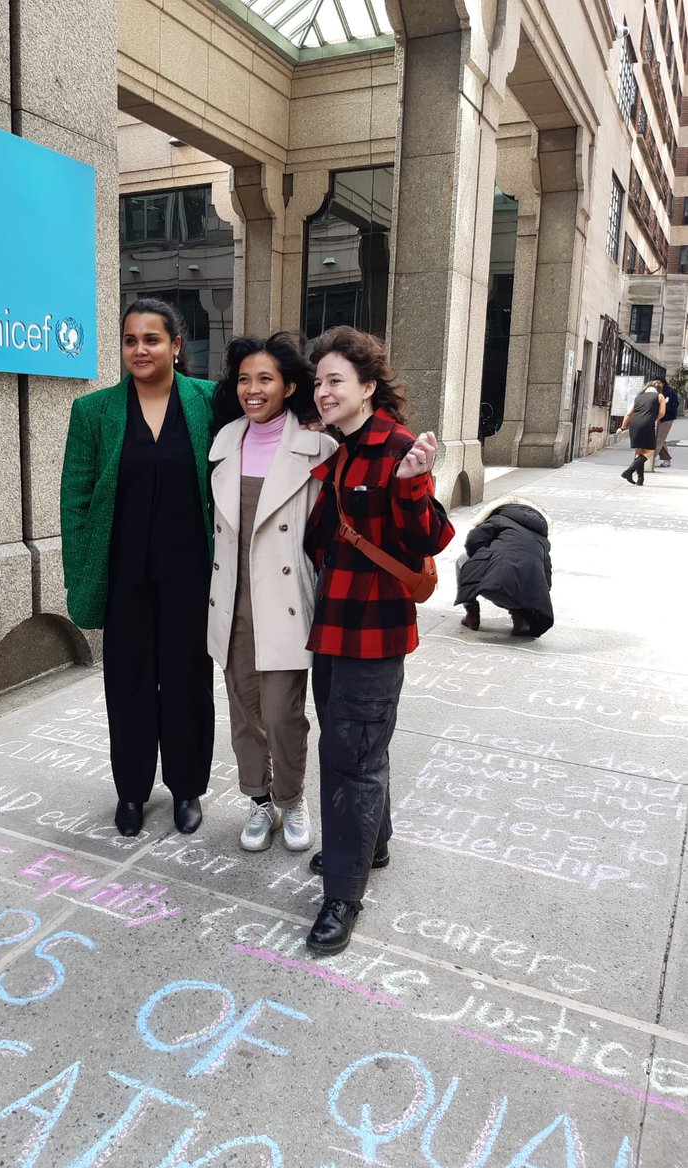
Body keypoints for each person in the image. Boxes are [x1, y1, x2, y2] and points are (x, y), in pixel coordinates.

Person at [302, 326, 455, 955]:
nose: (323, 391)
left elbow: (431, 540)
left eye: (335, 380)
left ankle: (344, 890)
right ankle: (371, 841)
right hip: (333, 625)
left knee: (353, 755)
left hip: (374, 631)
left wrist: (415, 481)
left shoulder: (396, 447)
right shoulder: (341, 449)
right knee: (347, 740)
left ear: (368, 386)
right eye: (318, 382)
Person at [60, 297, 215, 839]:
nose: (140, 349)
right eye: (130, 340)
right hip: (124, 574)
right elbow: (75, 497)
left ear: (176, 345)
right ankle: (131, 790)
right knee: (126, 684)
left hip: (190, 573)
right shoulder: (94, 411)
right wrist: (80, 572)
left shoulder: (210, 401)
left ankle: (187, 788)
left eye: (152, 339)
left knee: (186, 681)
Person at [207, 334, 337, 854]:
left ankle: (291, 797)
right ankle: (258, 801)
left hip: (283, 599)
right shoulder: (222, 444)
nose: (253, 389)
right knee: (244, 713)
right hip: (232, 598)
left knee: (284, 713)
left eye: (265, 379)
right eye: (244, 379)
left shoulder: (318, 447)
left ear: (288, 386)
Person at [455, 496, 553, 637]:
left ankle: (472, 614)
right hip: (526, 599)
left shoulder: (498, 519)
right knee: (523, 578)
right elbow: (547, 578)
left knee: (462, 560)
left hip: (494, 588)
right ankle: (520, 618)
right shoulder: (542, 540)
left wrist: (484, 558)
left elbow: (473, 540)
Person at [621, 380, 665, 485]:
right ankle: (629, 471)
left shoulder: (638, 397)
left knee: (639, 451)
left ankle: (640, 479)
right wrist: (653, 418)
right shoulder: (660, 397)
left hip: (634, 424)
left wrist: (623, 427)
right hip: (647, 424)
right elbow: (662, 413)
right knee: (650, 451)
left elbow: (628, 414)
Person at [654, 378, 680, 468]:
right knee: (661, 439)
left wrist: (665, 409)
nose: (656, 384)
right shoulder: (658, 391)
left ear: (663, 383)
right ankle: (667, 459)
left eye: (658, 382)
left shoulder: (669, 392)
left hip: (667, 418)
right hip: (660, 417)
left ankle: (649, 459)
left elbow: (674, 404)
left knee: (659, 439)